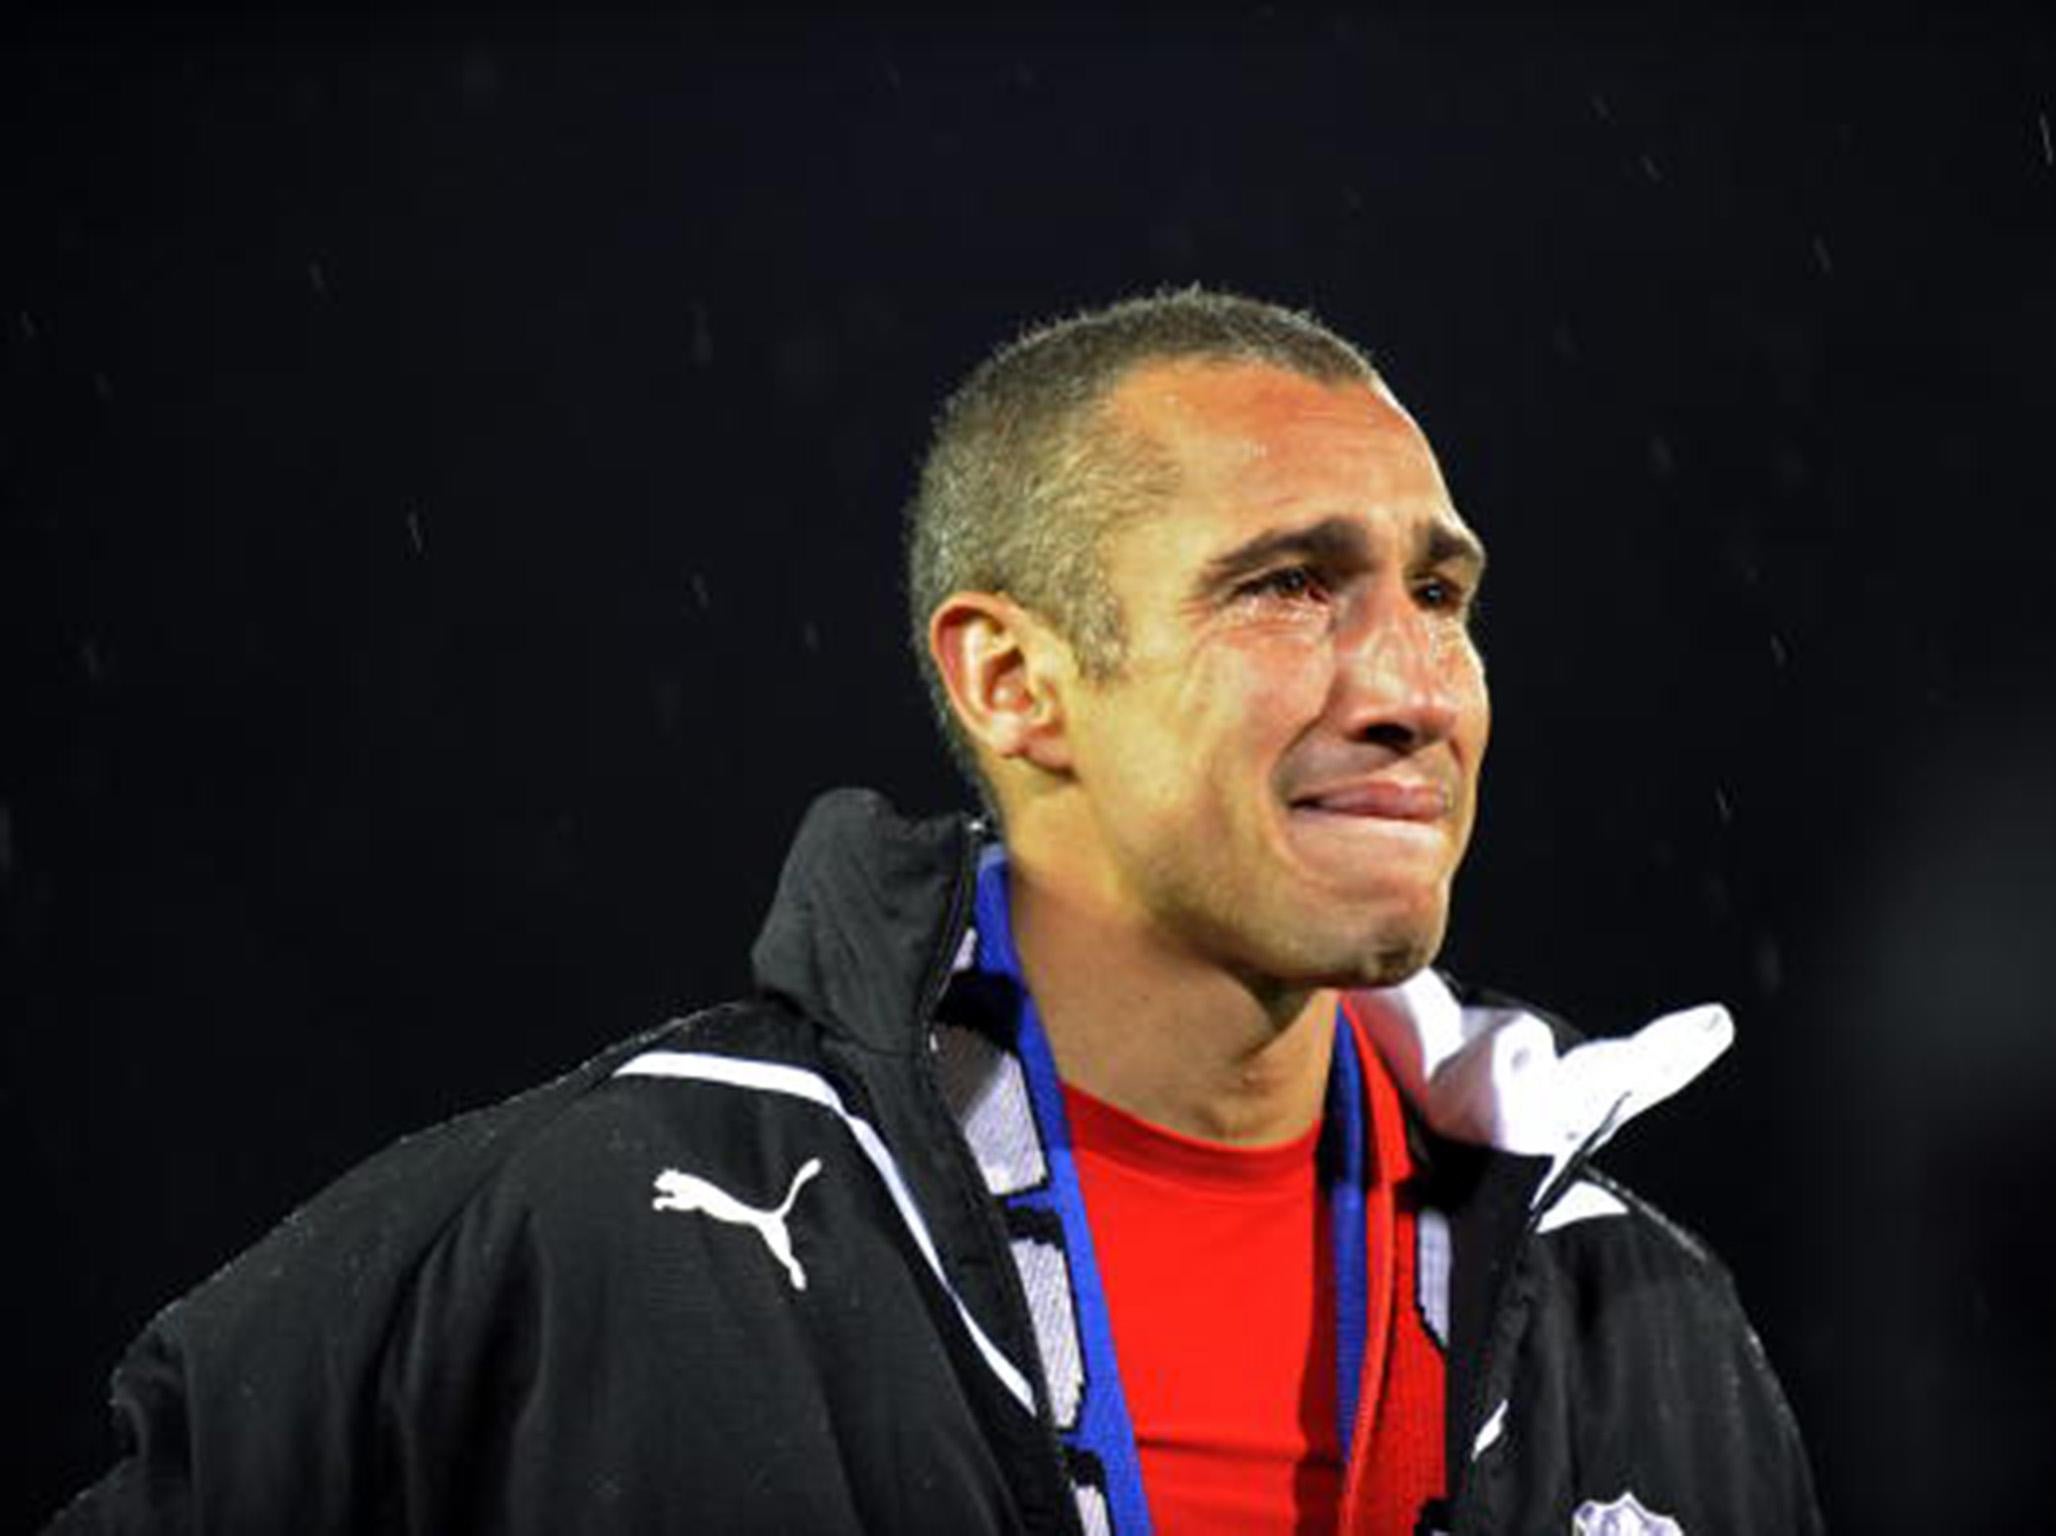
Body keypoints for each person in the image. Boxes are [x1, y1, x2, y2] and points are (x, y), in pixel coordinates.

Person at [48, 290, 1822, 1534]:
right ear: (1015, 684)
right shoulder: (607, 1235)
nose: (1415, 686)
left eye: (1439, 593)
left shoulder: (1634, 1313)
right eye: (1289, 588)